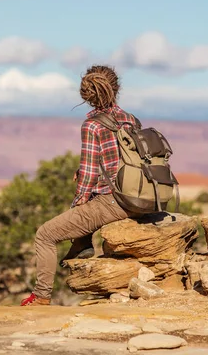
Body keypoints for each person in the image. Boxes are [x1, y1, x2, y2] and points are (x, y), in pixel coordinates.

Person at [20, 64, 140, 306]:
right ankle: (83, 243)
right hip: (140, 196)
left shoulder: (92, 125)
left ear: (86, 95)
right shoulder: (131, 120)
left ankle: (41, 297)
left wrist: (77, 205)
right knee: (87, 208)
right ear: (116, 88)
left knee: (45, 234)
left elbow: (87, 176)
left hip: (115, 201)